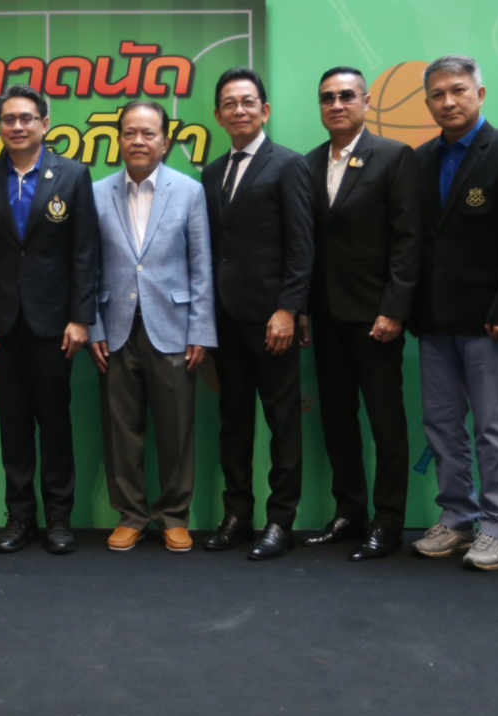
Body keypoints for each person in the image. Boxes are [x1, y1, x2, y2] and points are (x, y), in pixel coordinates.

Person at [408, 55, 498, 571]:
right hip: (434, 318)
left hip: (489, 319)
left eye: (458, 90)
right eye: (438, 94)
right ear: (427, 102)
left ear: (479, 94)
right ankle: (457, 517)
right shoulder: (420, 158)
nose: (448, 101)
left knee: (492, 428)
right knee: (442, 424)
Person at [0, 84, 98, 554]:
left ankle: (59, 518)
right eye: (8, 119)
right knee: (14, 425)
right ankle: (19, 517)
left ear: (44, 123)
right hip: (0, 326)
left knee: (55, 423)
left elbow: (85, 253)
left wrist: (82, 318)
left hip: (55, 325)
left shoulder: (73, 175)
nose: (17, 126)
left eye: (26, 118)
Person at [301, 67, 421, 561]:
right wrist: (302, 309)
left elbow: (409, 240)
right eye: (327, 97)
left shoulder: (393, 156)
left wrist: (394, 309)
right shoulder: (308, 163)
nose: (336, 104)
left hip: (376, 318)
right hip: (326, 315)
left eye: (346, 95)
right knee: (337, 421)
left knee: (386, 425)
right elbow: (305, 243)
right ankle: (349, 512)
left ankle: (388, 522)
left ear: (366, 102)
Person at [89, 101, 216, 553]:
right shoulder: (96, 192)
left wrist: (201, 331)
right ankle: (131, 514)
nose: (138, 141)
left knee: (176, 428)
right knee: (121, 429)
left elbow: (201, 267)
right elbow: (87, 268)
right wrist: (94, 328)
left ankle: (174, 516)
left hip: (175, 328)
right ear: (118, 139)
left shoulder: (190, 191)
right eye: (130, 132)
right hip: (115, 328)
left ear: (165, 141)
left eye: (148, 133)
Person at [200, 68, 313, 560]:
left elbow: (302, 245)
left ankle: (281, 520)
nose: (239, 110)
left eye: (248, 102)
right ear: (218, 115)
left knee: (283, 421)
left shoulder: (288, 164)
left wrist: (288, 308)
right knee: (234, 421)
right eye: (229, 103)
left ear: (264, 111)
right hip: (225, 320)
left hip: (273, 321)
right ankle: (237, 515)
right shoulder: (211, 172)